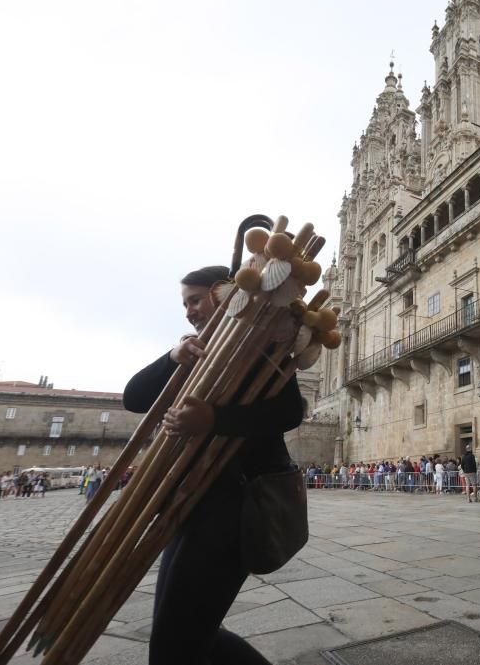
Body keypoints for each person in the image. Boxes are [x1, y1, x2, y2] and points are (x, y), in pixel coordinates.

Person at [123, 265, 304, 665]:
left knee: (175, 645)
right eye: (184, 303)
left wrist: (213, 420)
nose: (189, 310)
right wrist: (175, 355)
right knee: (184, 636)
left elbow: (290, 411)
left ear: (225, 295)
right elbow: (133, 397)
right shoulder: (194, 349)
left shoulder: (260, 345)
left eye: (195, 299)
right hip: (187, 505)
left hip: (236, 509)